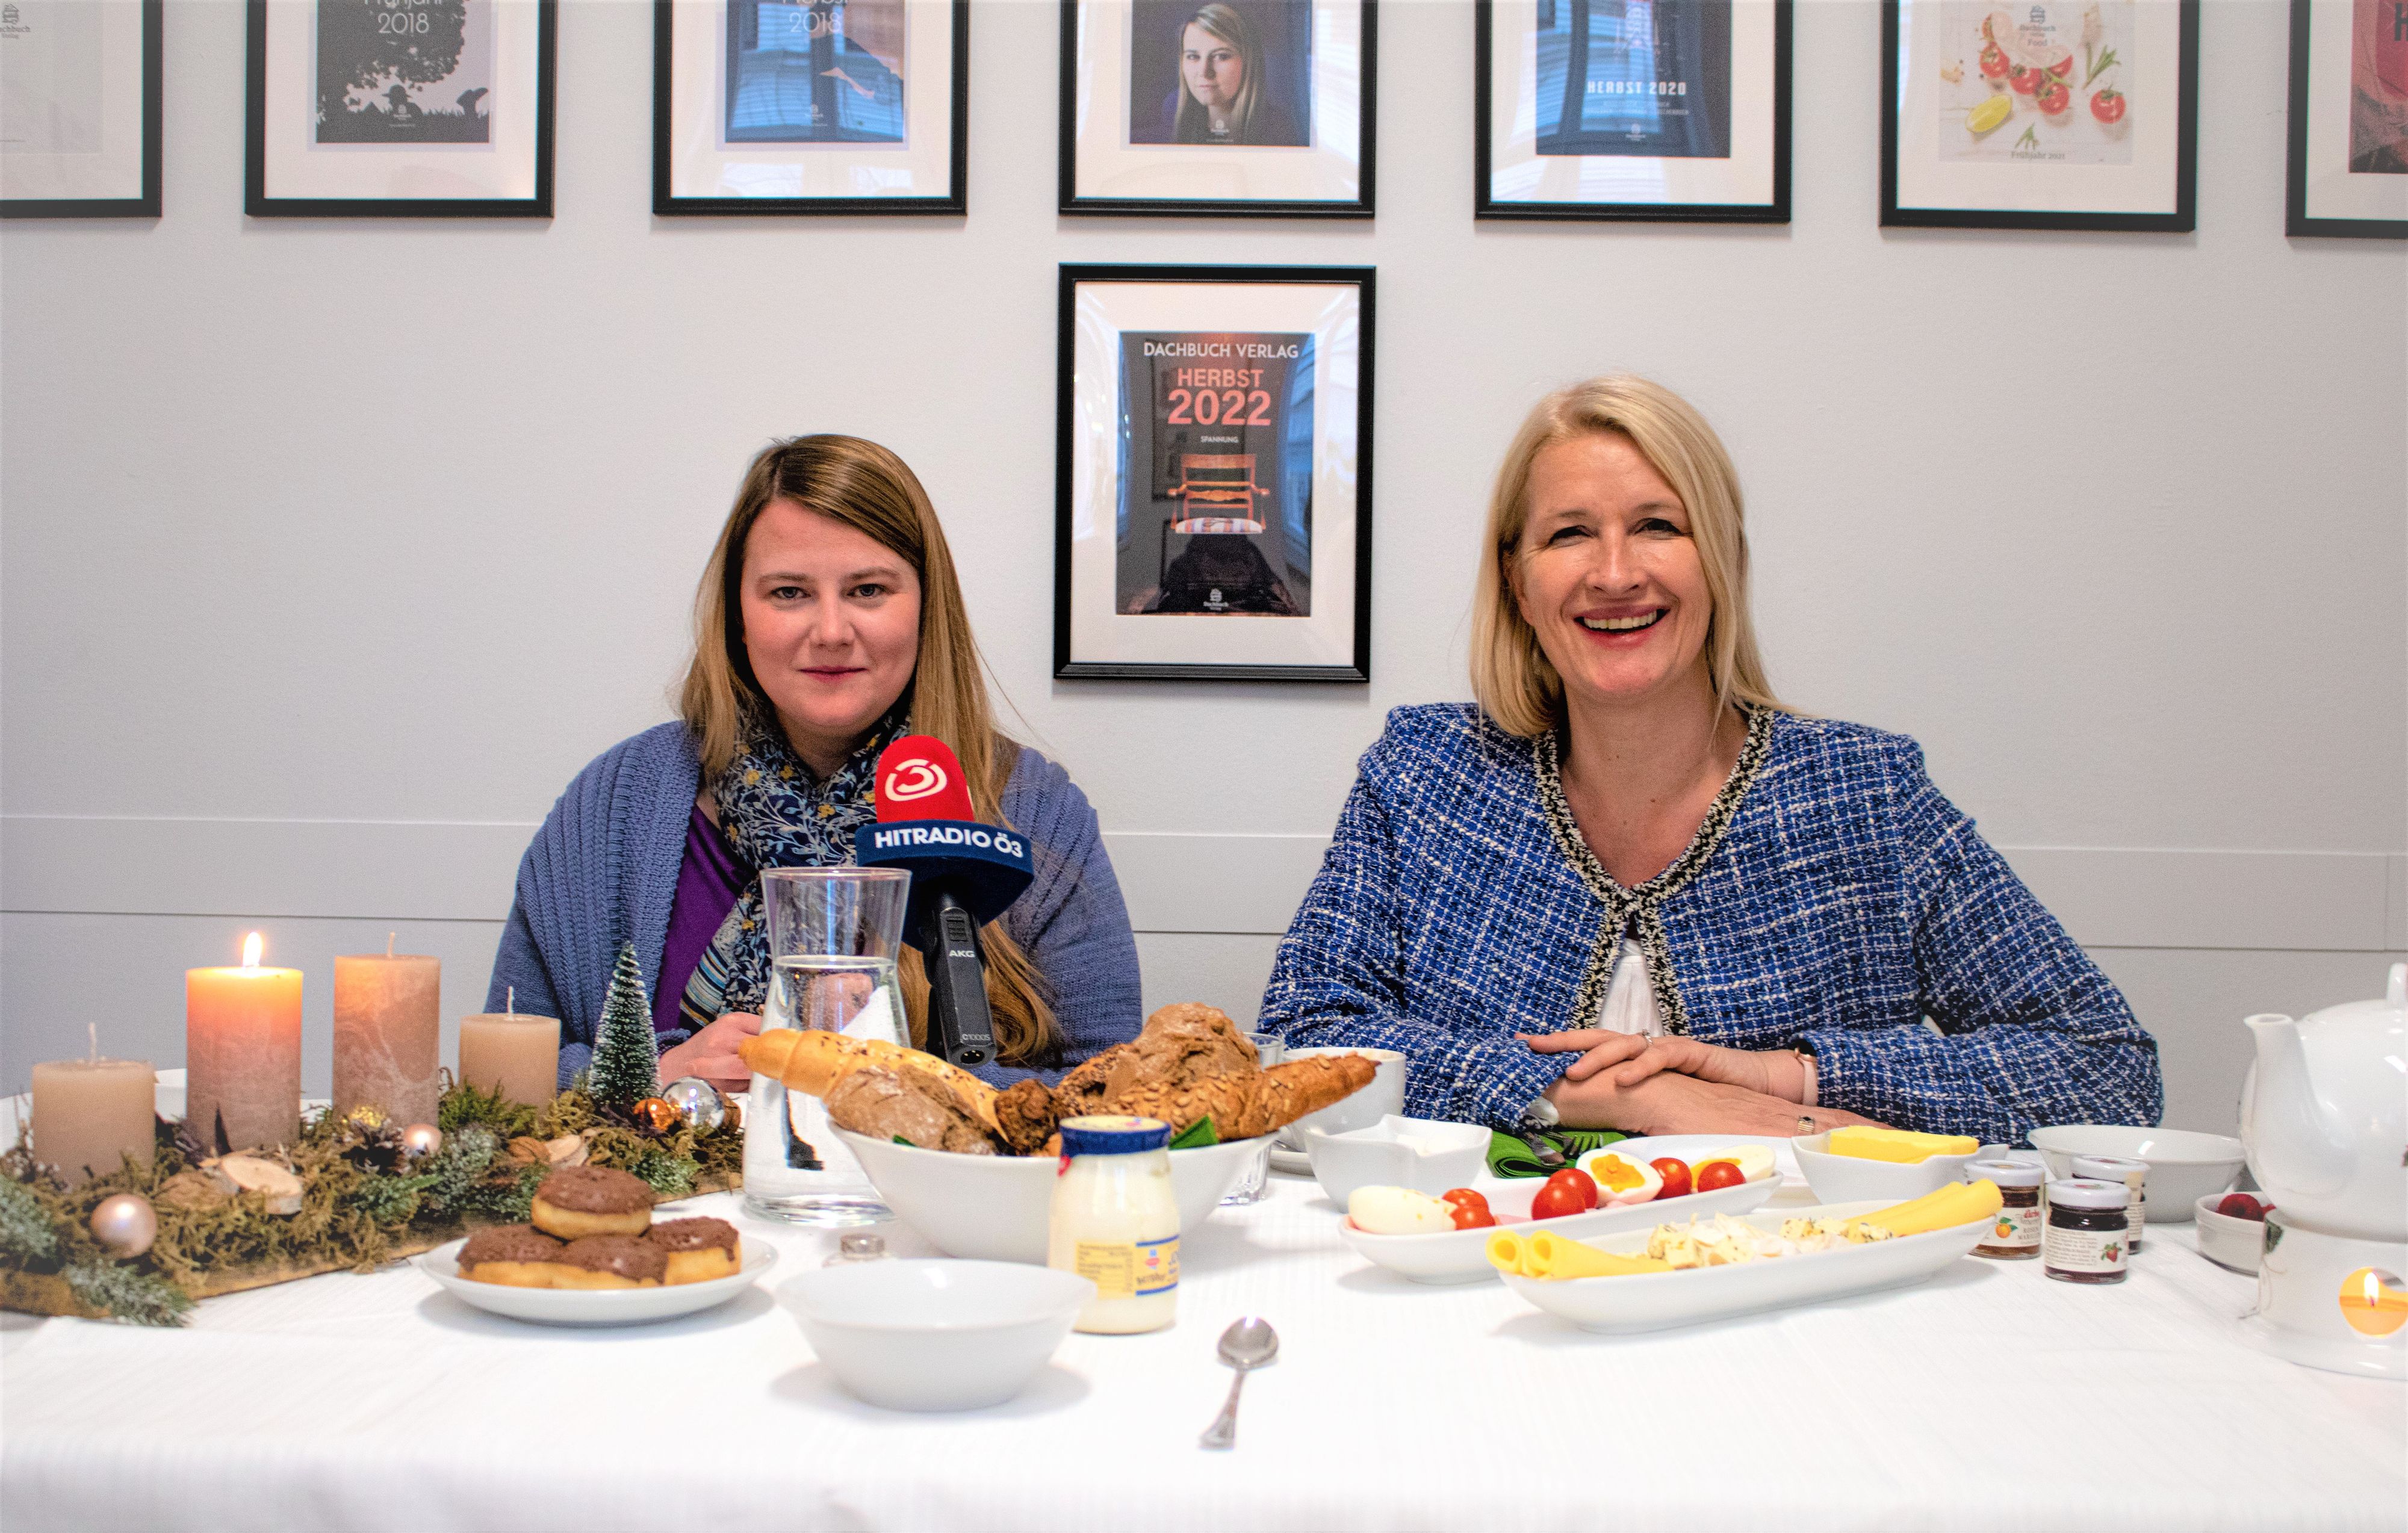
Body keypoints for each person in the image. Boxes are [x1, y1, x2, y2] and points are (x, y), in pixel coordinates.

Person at [1254, 377, 2161, 1145]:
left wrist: (1782, 1077)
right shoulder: (1426, 776)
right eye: (1569, 533)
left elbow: (2107, 1070)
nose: (1615, 573)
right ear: (1519, 583)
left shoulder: (1866, 793)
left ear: (1722, 560)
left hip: (1792, 1293)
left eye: (1657, 524)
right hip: (1482, 1284)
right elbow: (1301, 1041)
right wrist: (1615, 1093)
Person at [487, 435, 1144, 1094]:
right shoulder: (614, 805)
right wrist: (648, 1079)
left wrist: (900, 1089)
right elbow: (505, 1077)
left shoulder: (1033, 808)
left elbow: (1111, 1095)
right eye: (790, 593)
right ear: (736, 617)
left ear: (924, 608)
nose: (830, 631)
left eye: (867, 589)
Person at [1153, 4, 1303, 147]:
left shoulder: (1277, 130)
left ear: (1248, 62)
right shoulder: (1172, 111)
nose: (1204, 72)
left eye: (1221, 57)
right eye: (1193, 57)